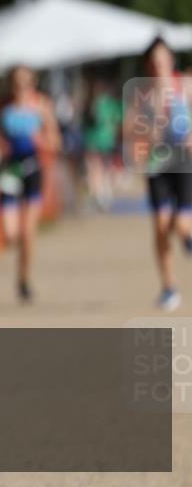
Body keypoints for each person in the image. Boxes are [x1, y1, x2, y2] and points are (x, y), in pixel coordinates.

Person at [124, 37, 192, 311]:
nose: (159, 65)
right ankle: (169, 287)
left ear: (171, 60)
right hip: (158, 165)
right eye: (154, 62)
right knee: (161, 227)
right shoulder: (142, 94)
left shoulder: (185, 86)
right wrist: (143, 132)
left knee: (181, 225)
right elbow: (128, 128)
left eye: (163, 59)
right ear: (148, 65)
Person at [0, 65, 61, 302]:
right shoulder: (3, 108)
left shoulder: (41, 106)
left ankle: (24, 279)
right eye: (16, 83)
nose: (21, 88)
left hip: (32, 170)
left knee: (28, 233)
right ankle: (20, 265)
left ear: (33, 83)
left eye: (26, 82)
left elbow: (55, 142)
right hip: (9, 170)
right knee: (10, 234)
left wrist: (41, 140)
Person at [82, 78, 123, 210]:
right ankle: (100, 195)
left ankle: (102, 194)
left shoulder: (107, 104)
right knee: (96, 169)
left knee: (102, 169)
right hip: (94, 141)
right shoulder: (91, 104)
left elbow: (118, 120)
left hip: (104, 141)